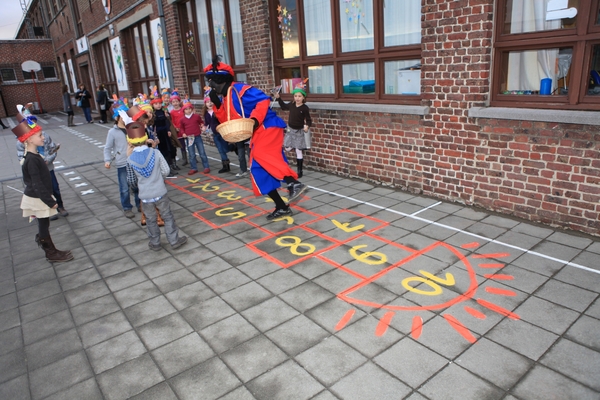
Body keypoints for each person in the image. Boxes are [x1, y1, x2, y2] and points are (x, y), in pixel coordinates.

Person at [205, 56, 307, 220]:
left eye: (211, 81)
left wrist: (254, 120)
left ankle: (293, 183)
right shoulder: (224, 98)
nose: (209, 85)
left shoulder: (241, 89)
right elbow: (228, 121)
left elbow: (262, 100)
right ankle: (281, 206)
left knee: (261, 154)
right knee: (258, 169)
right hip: (257, 132)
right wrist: (217, 106)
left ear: (220, 80)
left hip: (267, 125)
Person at [123, 112, 187, 251]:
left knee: (151, 220)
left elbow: (132, 181)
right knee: (167, 216)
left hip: (145, 196)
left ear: (130, 141)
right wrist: (158, 178)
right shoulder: (155, 153)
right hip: (160, 191)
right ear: (146, 138)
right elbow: (165, 171)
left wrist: (141, 185)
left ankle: (155, 243)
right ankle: (174, 240)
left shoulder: (130, 160)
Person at [12, 114, 73, 262]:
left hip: (39, 196)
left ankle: (50, 250)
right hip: (37, 198)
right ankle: (51, 253)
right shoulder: (31, 159)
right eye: (40, 135)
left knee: (44, 223)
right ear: (30, 139)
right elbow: (36, 184)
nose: (43, 138)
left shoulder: (34, 155)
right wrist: (50, 201)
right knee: (43, 224)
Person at [16, 125, 69, 221]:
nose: (42, 137)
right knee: (43, 190)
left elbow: (52, 150)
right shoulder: (27, 151)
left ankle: (59, 206)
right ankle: (48, 208)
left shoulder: (43, 136)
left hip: (47, 168)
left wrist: (47, 160)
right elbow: (22, 157)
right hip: (36, 171)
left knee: (54, 188)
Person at [104, 98, 141, 219]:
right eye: (123, 115)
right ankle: (127, 208)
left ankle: (139, 204)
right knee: (124, 188)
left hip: (134, 161)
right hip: (122, 163)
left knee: (136, 185)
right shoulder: (112, 132)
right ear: (117, 117)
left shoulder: (132, 128)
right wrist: (107, 160)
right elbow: (108, 147)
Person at [275, 82, 312, 178]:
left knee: (298, 151)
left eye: (299, 96)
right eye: (295, 96)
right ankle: (291, 146)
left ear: (303, 97)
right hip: (290, 129)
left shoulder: (304, 108)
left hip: (299, 131)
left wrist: (307, 126)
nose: (297, 98)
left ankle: (300, 171)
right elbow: (283, 107)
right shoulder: (291, 104)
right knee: (286, 146)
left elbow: (308, 120)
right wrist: (278, 98)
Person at [179, 99, 210, 175]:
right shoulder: (182, 119)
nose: (188, 110)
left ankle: (206, 166)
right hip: (189, 138)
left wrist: (202, 125)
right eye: (186, 109)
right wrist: (183, 133)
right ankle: (193, 168)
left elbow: (201, 122)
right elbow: (181, 128)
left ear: (192, 109)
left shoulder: (196, 116)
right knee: (191, 154)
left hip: (197, 137)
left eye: (189, 109)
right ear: (184, 111)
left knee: (202, 152)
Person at [201, 94, 230, 173]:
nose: (209, 103)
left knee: (225, 148)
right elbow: (207, 123)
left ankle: (232, 148)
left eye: (211, 102)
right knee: (220, 150)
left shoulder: (217, 111)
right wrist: (204, 126)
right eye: (207, 102)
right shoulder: (206, 114)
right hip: (215, 134)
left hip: (221, 132)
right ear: (205, 104)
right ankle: (225, 165)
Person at [169, 89, 188, 166]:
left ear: (179, 102)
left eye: (177, 101)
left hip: (185, 129)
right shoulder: (172, 112)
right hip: (178, 131)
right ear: (171, 103)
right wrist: (175, 127)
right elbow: (172, 121)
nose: (175, 103)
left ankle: (193, 157)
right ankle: (184, 159)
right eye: (173, 102)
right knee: (181, 144)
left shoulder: (183, 110)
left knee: (190, 143)